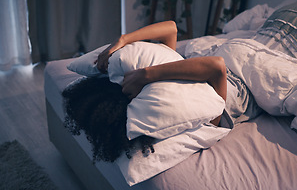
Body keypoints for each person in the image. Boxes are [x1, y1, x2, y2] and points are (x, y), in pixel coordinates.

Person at [63, 20, 261, 162]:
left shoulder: (156, 81)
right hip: (248, 75)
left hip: (220, 53)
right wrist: (146, 75)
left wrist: (122, 40)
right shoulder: (203, 113)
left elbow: (170, 29)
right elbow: (217, 67)